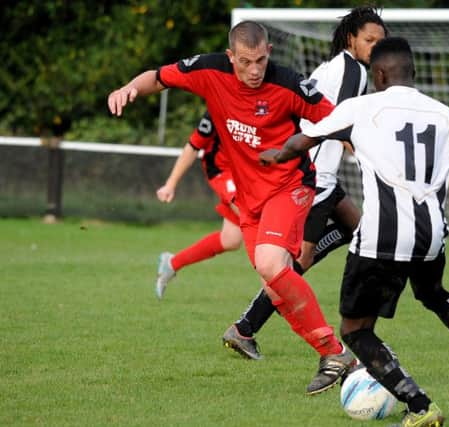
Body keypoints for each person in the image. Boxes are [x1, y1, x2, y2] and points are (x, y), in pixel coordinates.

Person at [260, 37, 449, 427]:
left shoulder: (361, 106)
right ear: (413, 73)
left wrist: (276, 154)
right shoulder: (445, 114)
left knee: (355, 331)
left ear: (379, 74)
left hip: (380, 236)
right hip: (431, 236)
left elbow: (306, 140)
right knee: (433, 293)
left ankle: (420, 406)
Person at [108, 20, 355, 395]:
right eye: (245, 62)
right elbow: (158, 77)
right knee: (274, 287)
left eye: (259, 60)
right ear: (231, 58)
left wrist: (373, 154)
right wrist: (130, 88)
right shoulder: (210, 71)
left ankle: (337, 354)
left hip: (291, 187)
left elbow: (339, 121)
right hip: (249, 199)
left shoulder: (289, 84)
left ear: (268, 53)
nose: (254, 70)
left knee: (273, 266)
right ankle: (333, 357)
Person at [221, 6, 387, 362]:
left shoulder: (338, 67)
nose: (376, 47)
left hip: (318, 171)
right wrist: (374, 159)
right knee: (301, 259)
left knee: (358, 229)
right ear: (351, 39)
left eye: (380, 42)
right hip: (315, 176)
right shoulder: (351, 72)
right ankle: (246, 327)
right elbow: (340, 122)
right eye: (369, 40)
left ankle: (250, 324)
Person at [154, 111, 243, 300]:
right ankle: (276, 290)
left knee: (231, 239)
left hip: (248, 172)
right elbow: (193, 146)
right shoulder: (217, 107)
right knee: (251, 215)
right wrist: (171, 184)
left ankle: (172, 263)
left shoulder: (267, 99)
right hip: (221, 170)